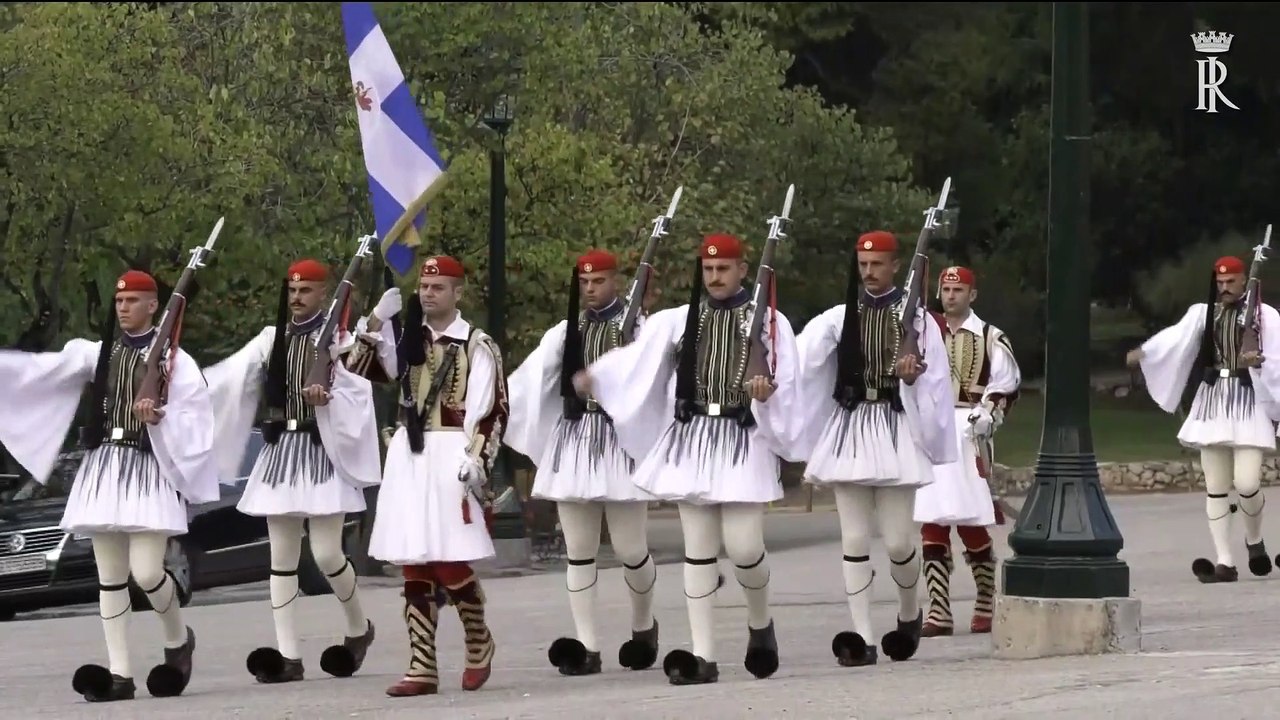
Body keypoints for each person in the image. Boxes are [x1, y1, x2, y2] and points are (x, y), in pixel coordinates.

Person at [571, 233, 803, 686]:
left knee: (743, 548)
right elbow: (637, 362)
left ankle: (760, 625)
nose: (714, 277)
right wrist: (598, 377)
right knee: (698, 549)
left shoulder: (770, 322)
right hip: (692, 438)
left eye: (723, 269)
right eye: (708, 269)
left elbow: (787, 381)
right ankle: (703, 655)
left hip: (741, 438)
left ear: (742, 270)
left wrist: (766, 393)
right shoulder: (678, 321)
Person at [0, 270, 218, 702]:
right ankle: (120, 674)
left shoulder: (176, 359)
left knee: (148, 571)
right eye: (119, 302)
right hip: (105, 467)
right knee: (111, 577)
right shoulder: (100, 353)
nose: (123, 308)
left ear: (153, 305)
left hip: (149, 468)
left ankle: (178, 639)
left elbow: (197, 416)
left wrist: (160, 417)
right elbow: (42, 371)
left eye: (133, 301)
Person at [203, 259, 390, 684]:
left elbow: (360, 392)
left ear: (324, 293)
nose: (296, 298)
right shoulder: (273, 338)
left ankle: (359, 627)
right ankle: (288, 656)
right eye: (291, 291)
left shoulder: (341, 339)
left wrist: (331, 399)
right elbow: (229, 378)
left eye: (305, 291)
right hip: (282, 451)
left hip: (323, 450)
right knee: (282, 557)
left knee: (326, 553)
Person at [793, 230, 956, 668]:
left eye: (877, 264)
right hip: (850, 428)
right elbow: (800, 362)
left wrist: (912, 377)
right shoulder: (837, 317)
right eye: (863, 265)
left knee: (901, 541)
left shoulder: (920, 322)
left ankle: (908, 612)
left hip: (895, 427)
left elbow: (937, 382)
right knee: (854, 536)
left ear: (895, 266)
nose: (868, 272)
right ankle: (861, 635)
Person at [351, 255, 509, 698]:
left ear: (458, 293)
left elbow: (490, 410)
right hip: (410, 454)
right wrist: (376, 319)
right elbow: (356, 367)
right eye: (423, 285)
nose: (427, 292)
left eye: (438, 287)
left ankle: (478, 638)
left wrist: (477, 459)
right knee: (413, 562)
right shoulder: (405, 339)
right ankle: (422, 665)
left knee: (450, 559)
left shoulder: (477, 344)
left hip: (450, 453)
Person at [504, 249, 662, 676]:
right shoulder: (565, 331)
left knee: (631, 549)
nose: (591, 290)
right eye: (585, 283)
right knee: (579, 551)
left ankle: (644, 625)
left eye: (599, 282)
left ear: (616, 282)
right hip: (575, 441)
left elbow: (654, 377)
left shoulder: (640, 328)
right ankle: (588, 647)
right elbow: (533, 377)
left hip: (620, 442)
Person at [1127, 255, 1280, 583]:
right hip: (1213, 401)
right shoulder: (1204, 312)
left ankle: (1254, 540)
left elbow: (1277, 355)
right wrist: (1145, 353)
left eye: (1231, 282)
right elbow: (1176, 338)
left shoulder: (1264, 314)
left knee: (1248, 482)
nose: (1224, 288)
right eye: (1220, 283)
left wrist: (1260, 361)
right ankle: (1224, 561)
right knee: (1216, 487)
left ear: (1244, 281)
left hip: (1249, 399)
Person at [912, 266, 1020, 637]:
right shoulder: (924, 333)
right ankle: (939, 609)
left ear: (972, 295)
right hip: (930, 431)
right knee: (932, 518)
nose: (950, 295)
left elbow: (1005, 383)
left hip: (968, 431)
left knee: (971, 518)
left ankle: (986, 600)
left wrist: (988, 413)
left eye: (958, 290)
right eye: (945, 289)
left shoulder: (990, 336)